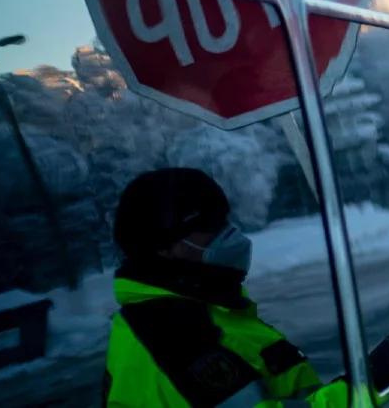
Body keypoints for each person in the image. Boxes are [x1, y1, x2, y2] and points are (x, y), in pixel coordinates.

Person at [103, 167, 351, 407]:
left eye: (223, 219)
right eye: (209, 225)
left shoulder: (206, 309)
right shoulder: (171, 336)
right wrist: (360, 393)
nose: (229, 232)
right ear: (163, 246)